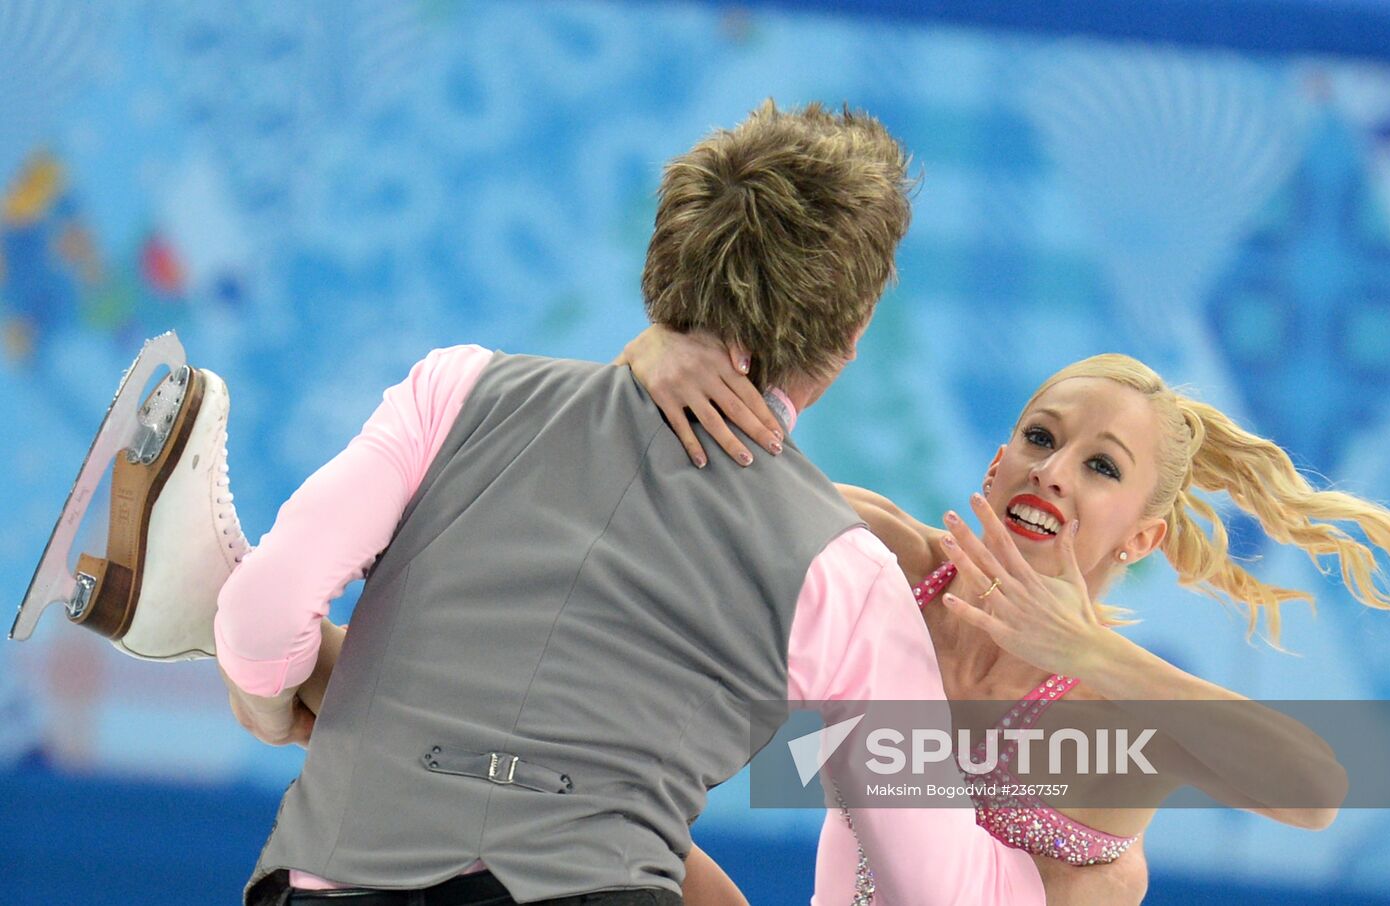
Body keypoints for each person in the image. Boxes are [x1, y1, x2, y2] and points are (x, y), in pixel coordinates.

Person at [208, 100, 1061, 906]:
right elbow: (944, 886)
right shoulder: (845, 570)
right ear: (852, 334)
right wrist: (1100, 866)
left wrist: (273, 698)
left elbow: (261, 615)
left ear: (663, 264)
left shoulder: (454, 391)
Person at [619, 328, 1390, 904]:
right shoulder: (888, 566)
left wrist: (1086, 651)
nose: (1053, 472)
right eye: (1039, 438)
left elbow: (1319, 790)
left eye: (1101, 466)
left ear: (1143, 536)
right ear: (997, 465)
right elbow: (676, 476)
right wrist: (654, 355)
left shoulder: (1117, 713)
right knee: (595, 819)